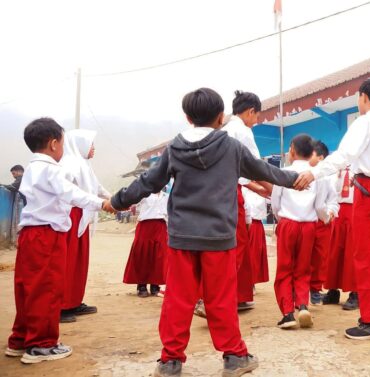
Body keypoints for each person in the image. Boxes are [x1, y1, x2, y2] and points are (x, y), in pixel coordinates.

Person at [110, 87, 303, 377]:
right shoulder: (231, 147)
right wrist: (295, 178)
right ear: (220, 117)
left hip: (181, 237)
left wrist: (117, 201)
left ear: (187, 118)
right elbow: (263, 170)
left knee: (177, 298)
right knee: (221, 298)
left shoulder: (175, 148)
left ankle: (170, 361)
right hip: (219, 237)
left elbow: (148, 182)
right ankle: (234, 356)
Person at [294, 77, 370, 340]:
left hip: (366, 190)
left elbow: (343, 156)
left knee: (366, 255)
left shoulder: (364, 123)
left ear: (363, 96)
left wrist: (314, 173)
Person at [6, 118, 113, 364]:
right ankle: (41, 345)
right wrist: (102, 204)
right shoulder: (51, 169)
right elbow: (71, 193)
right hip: (47, 234)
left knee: (28, 288)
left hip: (31, 234)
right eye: (62, 143)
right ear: (54, 144)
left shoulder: (32, 167)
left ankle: (20, 339)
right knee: (47, 287)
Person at [271, 134, 328, 329]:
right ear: (312, 152)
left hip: (288, 223)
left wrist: (282, 219)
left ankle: (288, 314)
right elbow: (320, 206)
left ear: (292, 151)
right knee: (304, 268)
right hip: (309, 225)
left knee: (285, 268)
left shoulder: (283, 172)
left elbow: (275, 204)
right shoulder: (315, 175)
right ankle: (302, 305)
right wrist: (324, 218)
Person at [221, 90, 271, 311]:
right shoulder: (243, 132)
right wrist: (273, 190)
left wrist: (256, 187)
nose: (256, 122)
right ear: (250, 112)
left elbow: (242, 172)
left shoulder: (224, 131)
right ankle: (228, 297)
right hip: (231, 194)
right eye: (257, 117)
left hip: (220, 192)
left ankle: (235, 295)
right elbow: (255, 166)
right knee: (239, 244)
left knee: (226, 245)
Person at [58, 129, 111, 323]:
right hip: (71, 216)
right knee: (68, 260)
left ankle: (74, 300)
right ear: (80, 145)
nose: (93, 148)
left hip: (81, 215)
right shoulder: (69, 164)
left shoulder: (84, 165)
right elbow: (69, 192)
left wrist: (113, 198)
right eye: (91, 144)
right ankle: (61, 305)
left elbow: (97, 188)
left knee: (79, 261)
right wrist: (103, 202)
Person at [322, 164, 358, 309]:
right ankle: (333, 290)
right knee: (334, 253)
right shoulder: (337, 166)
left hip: (355, 210)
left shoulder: (361, 165)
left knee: (352, 253)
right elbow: (330, 191)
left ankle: (356, 293)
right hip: (338, 211)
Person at [308, 141, 339, 306]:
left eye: (311, 154)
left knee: (320, 256)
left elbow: (333, 199)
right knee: (304, 256)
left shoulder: (329, 176)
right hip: (306, 220)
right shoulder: (302, 172)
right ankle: (300, 289)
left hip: (323, 221)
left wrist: (330, 213)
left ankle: (315, 289)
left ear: (321, 158)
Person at [123, 189, 169, 297]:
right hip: (145, 226)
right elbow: (132, 201)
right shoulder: (144, 193)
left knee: (159, 256)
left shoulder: (166, 196)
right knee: (142, 255)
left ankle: (155, 286)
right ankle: (142, 286)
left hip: (161, 226)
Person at [243, 186, 269, 285]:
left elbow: (274, 196)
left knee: (255, 255)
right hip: (243, 223)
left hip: (256, 224)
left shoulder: (263, 189)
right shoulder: (242, 187)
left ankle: (251, 282)